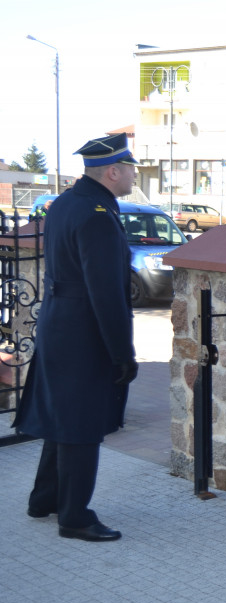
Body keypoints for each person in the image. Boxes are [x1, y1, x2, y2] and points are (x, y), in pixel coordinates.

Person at [15, 132, 141, 542]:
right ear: (113, 171)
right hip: (84, 333)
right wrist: (122, 352)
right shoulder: (97, 215)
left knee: (61, 418)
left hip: (58, 324)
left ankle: (44, 499)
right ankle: (75, 516)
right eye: (131, 168)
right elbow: (105, 293)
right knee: (82, 425)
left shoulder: (67, 203)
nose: (134, 174)